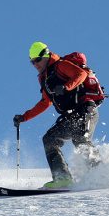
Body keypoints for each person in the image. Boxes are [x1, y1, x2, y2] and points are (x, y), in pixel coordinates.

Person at [13, 41, 102, 189]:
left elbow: (81, 74)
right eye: (32, 62)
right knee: (49, 139)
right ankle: (62, 178)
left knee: (80, 139)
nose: (35, 64)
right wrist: (24, 117)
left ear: (46, 55)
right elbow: (45, 103)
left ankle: (101, 173)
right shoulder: (45, 78)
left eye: (37, 60)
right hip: (71, 114)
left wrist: (66, 87)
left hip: (86, 109)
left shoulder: (60, 65)